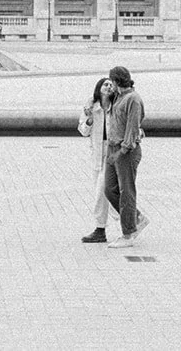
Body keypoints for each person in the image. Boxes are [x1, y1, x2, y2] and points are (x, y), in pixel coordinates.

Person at [102, 65, 149, 248]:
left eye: (111, 81)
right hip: (113, 149)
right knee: (109, 189)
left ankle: (128, 234)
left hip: (126, 151)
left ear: (116, 81)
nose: (109, 85)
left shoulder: (133, 99)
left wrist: (121, 151)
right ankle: (136, 219)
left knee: (126, 192)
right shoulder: (117, 97)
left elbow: (132, 128)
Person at [77, 76, 115, 243]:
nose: (108, 87)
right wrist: (89, 119)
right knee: (104, 191)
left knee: (102, 190)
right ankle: (132, 221)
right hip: (97, 154)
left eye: (110, 85)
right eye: (105, 84)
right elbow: (83, 131)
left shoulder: (116, 106)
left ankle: (100, 229)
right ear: (99, 88)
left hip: (112, 152)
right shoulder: (91, 108)